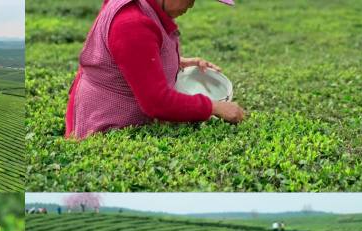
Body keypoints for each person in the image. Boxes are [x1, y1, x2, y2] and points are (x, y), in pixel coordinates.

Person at [66, 0, 245, 139]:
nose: (191, 5)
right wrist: (215, 107)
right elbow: (157, 103)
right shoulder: (132, 23)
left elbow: (127, 57)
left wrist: (177, 62)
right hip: (104, 128)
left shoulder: (143, 8)